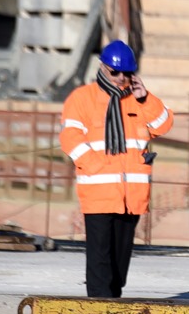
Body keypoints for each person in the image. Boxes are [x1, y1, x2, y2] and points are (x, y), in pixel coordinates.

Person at [59, 40, 174, 297]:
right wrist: (95, 165)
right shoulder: (82, 98)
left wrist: (146, 99)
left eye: (128, 73)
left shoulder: (138, 100)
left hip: (131, 195)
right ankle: (100, 309)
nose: (122, 78)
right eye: (115, 72)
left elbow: (164, 124)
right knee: (100, 259)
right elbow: (70, 138)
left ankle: (113, 302)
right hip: (98, 192)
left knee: (120, 263)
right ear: (102, 67)